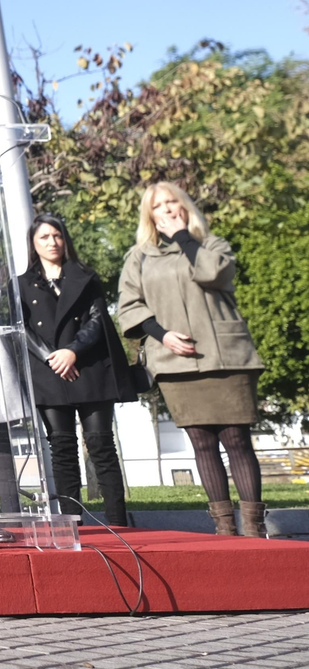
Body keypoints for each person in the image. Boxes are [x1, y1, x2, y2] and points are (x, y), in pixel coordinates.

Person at [117, 182, 265, 537]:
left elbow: (214, 273)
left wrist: (183, 237)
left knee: (236, 439)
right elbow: (130, 306)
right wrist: (162, 334)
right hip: (175, 362)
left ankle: (255, 528)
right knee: (202, 443)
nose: (167, 209)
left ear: (185, 206)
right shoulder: (139, 256)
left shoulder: (211, 245)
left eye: (172, 202)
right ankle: (225, 529)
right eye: (158, 206)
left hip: (226, 358)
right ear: (149, 215)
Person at [19, 213, 135, 527]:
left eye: (57, 236)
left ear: (65, 239)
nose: (52, 242)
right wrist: (52, 357)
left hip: (89, 368)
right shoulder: (22, 284)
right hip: (49, 373)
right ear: (33, 243)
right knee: (62, 448)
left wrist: (72, 351)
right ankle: (71, 524)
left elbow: (98, 319)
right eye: (44, 237)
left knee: (101, 445)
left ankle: (118, 521)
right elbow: (22, 328)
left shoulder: (85, 276)